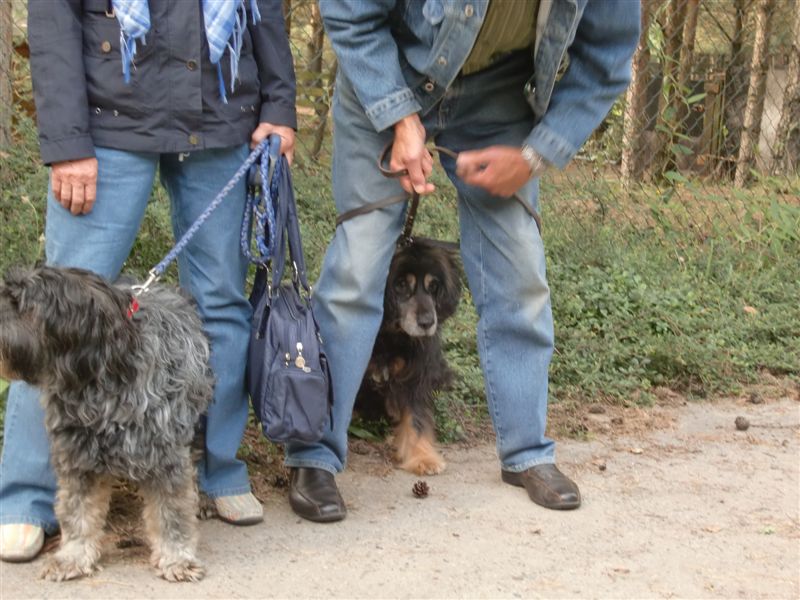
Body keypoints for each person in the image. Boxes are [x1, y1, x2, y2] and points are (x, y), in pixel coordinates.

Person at [284, 0, 640, 522]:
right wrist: (398, 115)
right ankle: (314, 456)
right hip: (388, 69)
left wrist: (535, 155)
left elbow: (607, 56)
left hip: (497, 94)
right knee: (356, 269)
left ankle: (527, 454)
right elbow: (349, 10)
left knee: (519, 275)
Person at [0, 0, 296, 562]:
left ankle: (217, 471)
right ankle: (24, 497)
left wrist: (279, 104)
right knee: (46, 317)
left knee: (221, 305)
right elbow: (53, 17)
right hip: (108, 118)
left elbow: (265, 9)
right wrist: (66, 141)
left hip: (221, 112)